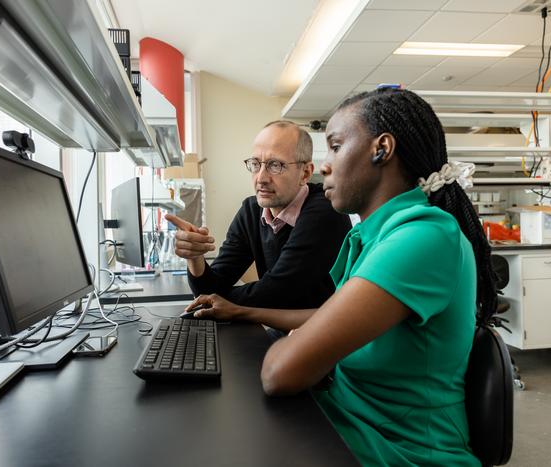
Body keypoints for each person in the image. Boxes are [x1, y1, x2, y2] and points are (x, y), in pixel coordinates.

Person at [187, 89, 497, 466]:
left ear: (381, 149)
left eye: (335, 146)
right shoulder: (377, 235)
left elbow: (279, 372)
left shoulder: (421, 238)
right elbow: (329, 315)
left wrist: (296, 344)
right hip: (349, 422)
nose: (323, 167)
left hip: (399, 452)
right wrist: (243, 313)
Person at [166, 121, 351, 318]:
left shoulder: (325, 212)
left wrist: (214, 298)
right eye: (255, 164)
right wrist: (195, 258)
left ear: (304, 173)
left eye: (275, 165)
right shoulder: (252, 211)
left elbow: (278, 291)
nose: (261, 178)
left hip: (326, 338)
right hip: (279, 329)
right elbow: (211, 288)